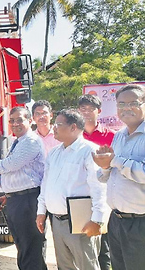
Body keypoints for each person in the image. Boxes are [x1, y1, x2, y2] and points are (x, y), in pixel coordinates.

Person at [36, 109, 109, 270]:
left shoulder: (90, 151)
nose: (53, 127)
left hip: (81, 221)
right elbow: (46, 184)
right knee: (65, 266)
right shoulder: (55, 153)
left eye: (58, 124)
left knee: (86, 265)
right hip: (57, 221)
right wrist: (41, 211)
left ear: (73, 127)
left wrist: (97, 220)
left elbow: (100, 188)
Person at [0, 107, 47, 270]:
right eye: (12, 121)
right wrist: (8, 196)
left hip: (29, 200)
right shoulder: (19, 141)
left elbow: (11, 165)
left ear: (30, 121)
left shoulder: (30, 141)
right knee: (22, 245)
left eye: (19, 120)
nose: (15, 124)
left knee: (30, 247)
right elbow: (18, 173)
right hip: (18, 199)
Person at [93, 84, 145, 270]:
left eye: (133, 103)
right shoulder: (119, 136)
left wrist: (115, 160)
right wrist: (106, 166)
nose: (126, 108)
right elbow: (107, 176)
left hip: (141, 222)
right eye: (121, 104)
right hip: (117, 220)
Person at [78, 94, 114, 270]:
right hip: (81, 198)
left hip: (104, 197)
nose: (86, 112)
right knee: (84, 245)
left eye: (90, 109)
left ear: (99, 111)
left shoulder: (112, 136)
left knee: (104, 249)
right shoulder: (74, 136)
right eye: (82, 109)